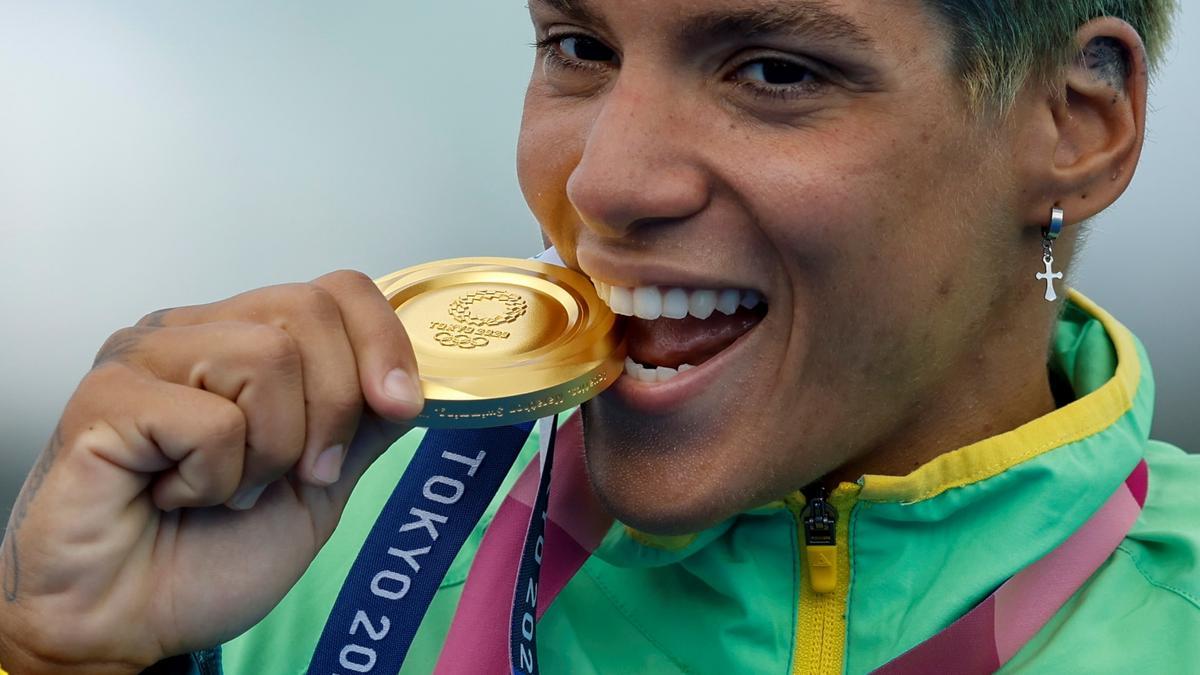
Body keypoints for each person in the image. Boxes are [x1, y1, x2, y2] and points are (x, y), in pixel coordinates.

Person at [1, 0, 1195, 672]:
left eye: (774, 72)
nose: (604, 183)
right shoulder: (279, 569)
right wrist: (61, 661)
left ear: (1076, 124)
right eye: (580, 49)